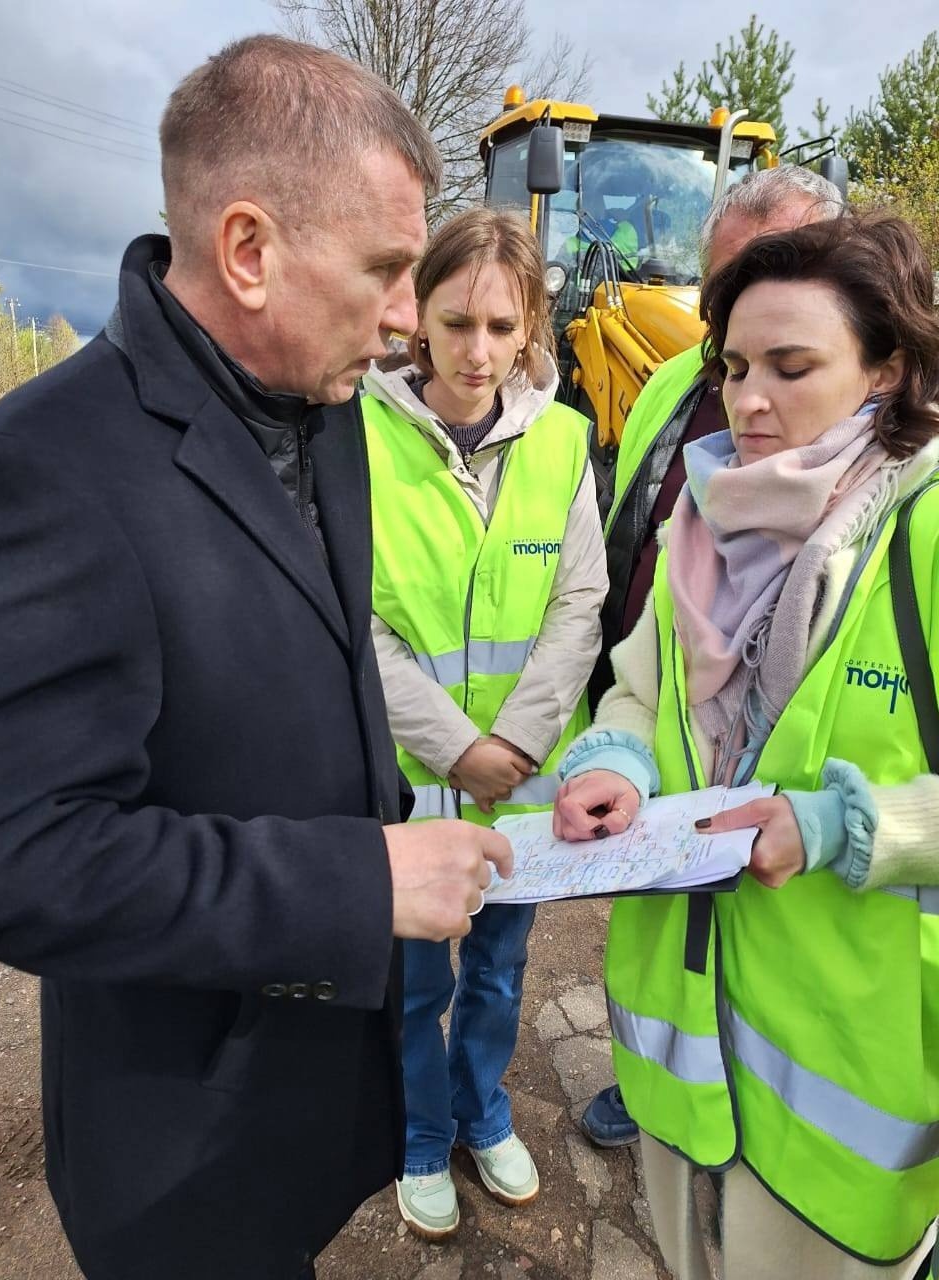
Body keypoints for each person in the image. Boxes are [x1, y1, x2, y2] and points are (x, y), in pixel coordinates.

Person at [0, 36, 515, 1280]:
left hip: (308, 1088)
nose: (406, 320)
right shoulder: (47, 465)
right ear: (248, 250)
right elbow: (14, 855)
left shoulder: (325, 412)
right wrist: (356, 883)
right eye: (385, 270)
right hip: (182, 1139)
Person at [554, 213, 939, 1279]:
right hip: (683, 1032)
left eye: (791, 366)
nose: (749, 399)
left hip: (851, 1077)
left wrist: (840, 826)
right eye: (733, 367)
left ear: (886, 369)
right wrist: (614, 761)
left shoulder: (927, 532)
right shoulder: (704, 521)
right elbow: (641, 689)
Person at [580, 164, 845, 1149]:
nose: (748, 390)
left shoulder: (906, 509)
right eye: (722, 292)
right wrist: (616, 738)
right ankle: (655, 1075)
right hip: (671, 771)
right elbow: (634, 541)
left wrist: (844, 825)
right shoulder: (672, 386)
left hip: (818, 943)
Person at [360, 208, 608, 1239]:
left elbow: (579, 603)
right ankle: (422, 1135)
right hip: (413, 783)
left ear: (530, 326)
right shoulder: (358, 435)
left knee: (501, 970)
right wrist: (456, 747)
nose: (478, 351)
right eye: (457, 323)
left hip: (525, 787)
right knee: (417, 980)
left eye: (502, 327)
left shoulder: (562, 441)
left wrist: (515, 746)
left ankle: (482, 1110)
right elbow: (356, 619)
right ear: (417, 314)